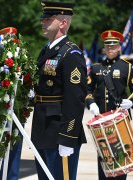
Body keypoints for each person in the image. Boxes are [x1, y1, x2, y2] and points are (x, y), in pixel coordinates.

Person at [31, 1, 87, 180]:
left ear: (62, 23)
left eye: (48, 19)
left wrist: (68, 137)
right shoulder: (46, 51)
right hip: (42, 128)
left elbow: (75, 99)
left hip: (59, 132)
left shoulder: (71, 54)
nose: (43, 22)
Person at [86, 30, 133, 180]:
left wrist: (131, 101)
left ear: (119, 48)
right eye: (107, 47)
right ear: (104, 49)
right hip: (101, 120)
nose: (110, 49)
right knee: (104, 158)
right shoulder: (96, 67)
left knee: (121, 157)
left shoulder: (127, 67)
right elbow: (87, 89)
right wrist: (91, 103)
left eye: (113, 46)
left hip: (119, 120)